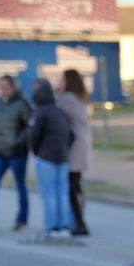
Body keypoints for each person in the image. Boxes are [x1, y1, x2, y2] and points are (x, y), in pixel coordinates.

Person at [26, 79, 75, 239]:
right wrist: (65, 150)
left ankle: (51, 227)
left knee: (49, 194)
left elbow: (34, 135)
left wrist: (36, 151)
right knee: (62, 193)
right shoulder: (59, 112)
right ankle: (65, 227)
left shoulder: (40, 112)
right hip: (62, 157)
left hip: (46, 157)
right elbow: (72, 135)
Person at [0, 74, 33, 231]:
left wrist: (19, 141)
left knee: (20, 185)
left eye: (6, 87)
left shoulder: (22, 104)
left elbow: (30, 125)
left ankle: (21, 219)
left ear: (13, 87)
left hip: (17, 153)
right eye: (0, 87)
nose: (3, 90)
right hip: (0, 152)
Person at [57, 69, 93, 237]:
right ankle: (79, 220)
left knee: (72, 187)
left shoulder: (67, 99)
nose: (59, 83)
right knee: (76, 185)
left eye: (62, 80)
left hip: (74, 147)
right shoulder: (80, 98)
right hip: (81, 145)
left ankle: (79, 222)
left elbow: (53, 111)